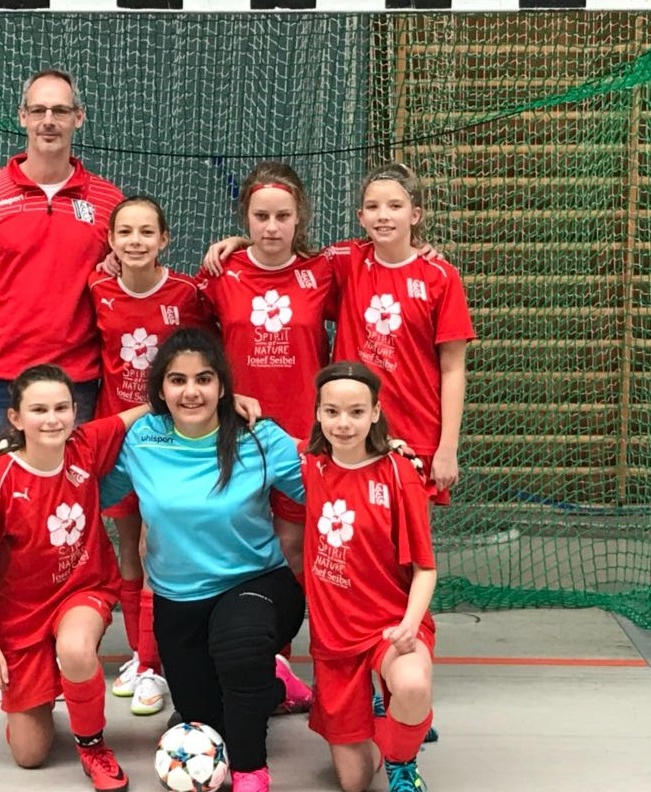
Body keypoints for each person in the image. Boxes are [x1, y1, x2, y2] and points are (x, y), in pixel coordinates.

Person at [0, 67, 123, 702]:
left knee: (71, 520)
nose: (49, 121)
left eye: (60, 110)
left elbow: (126, 290)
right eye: (38, 110)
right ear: (21, 117)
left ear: (79, 119)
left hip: (78, 382)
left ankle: (71, 652)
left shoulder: (106, 201)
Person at [99, 327, 314, 792]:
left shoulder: (259, 436)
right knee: (204, 716)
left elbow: (331, 478)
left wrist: (386, 455)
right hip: (179, 601)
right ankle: (276, 684)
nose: (191, 391)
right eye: (177, 380)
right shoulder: (144, 440)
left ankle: (252, 773)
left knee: (238, 653)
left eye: (204, 379)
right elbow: (82, 486)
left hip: (257, 583)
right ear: (160, 389)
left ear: (223, 386)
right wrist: (19, 456)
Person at [0, 364, 148, 792]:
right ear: (16, 418)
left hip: (83, 589)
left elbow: (133, 414)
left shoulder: (84, 447)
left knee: (76, 648)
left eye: (62, 408)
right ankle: (42, 694)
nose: (52, 419)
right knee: (29, 756)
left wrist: (226, 402)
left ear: (74, 411)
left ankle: (93, 745)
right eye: (39, 409)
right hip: (22, 614)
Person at [87, 196, 212, 715]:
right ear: (112, 242)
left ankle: (155, 662)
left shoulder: (187, 293)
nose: (135, 241)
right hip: (122, 435)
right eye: (125, 233)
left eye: (146, 232)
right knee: (128, 547)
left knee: (157, 550)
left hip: (171, 439)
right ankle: (142, 657)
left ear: (164, 239)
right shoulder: (96, 287)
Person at [193, 161, 336, 575]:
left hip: (301, 431)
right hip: (238, 428)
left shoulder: (322, 271)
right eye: (260, 217)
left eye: (282, 216)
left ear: (299, 217)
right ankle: (249, 637)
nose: (271, 227)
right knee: (239, 538)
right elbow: (192, 346)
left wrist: (419, 250)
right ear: (246, 219)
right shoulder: (222, 271)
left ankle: (284, 639)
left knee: (292, 542)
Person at [300, 361, 436, 792]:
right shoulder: (308, 466)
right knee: (354, 783)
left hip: (390, 625)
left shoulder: (399, 473)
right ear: (319, 413)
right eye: (333, 412)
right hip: (336, 637)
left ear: (376, 412)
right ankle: (384, 718)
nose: (344, 423)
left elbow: (425, 569)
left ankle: (402, 760)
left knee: (412, 684)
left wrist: (409, 626)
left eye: (357, 412)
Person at [324, 163, 476, 510]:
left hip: (416, 432)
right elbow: (287, 259)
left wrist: (447, 448)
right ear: (361, 216)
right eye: (373, 207)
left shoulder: (440, 277)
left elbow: (453, 368)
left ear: (415, 214)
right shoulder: (346, 261)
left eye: (395, 206)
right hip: (352, 434)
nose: (383, 216)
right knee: (357, 545)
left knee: (409, 553)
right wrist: (240, 243)